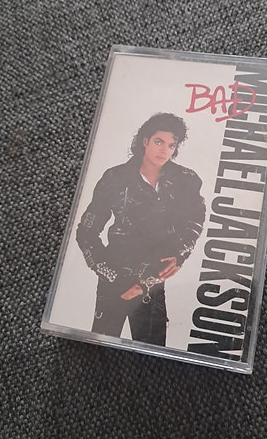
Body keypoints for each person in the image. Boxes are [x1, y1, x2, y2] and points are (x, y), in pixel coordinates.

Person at [76, 113, 206, 346]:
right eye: (159, 141)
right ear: (145, 141)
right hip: (113, 282)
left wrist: (180, 254)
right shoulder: (115, 178)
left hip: (153, 282)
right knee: (99, 350)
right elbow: (86, 232)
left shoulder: (185, 180)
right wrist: (114, 277)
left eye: (171, 145)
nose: (164, 150)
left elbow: (195, 218)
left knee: (153, 353)